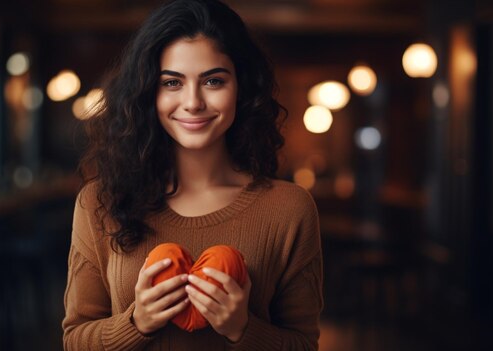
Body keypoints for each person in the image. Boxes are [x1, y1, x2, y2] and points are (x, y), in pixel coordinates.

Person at [62, 0, 323, 349]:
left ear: (241, 88)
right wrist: (136, 323)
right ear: (147, 92)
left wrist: (242, 328)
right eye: (172, 83)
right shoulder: (100, 203)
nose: (193, 102)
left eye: (213, 81)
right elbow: (75, 340)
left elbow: (304, 345)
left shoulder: (290, 209)